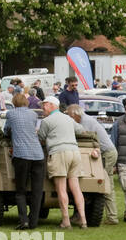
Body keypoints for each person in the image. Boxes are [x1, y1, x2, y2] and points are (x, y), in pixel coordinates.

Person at [0, 91, 45, 229]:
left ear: (14, 103)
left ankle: (24, 220)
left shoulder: (11, 114)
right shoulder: (33, 114)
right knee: (37, 191)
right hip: (38, 155)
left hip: (21, 154)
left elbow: (7, 130)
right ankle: (34, 222)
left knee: (20, 190)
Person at [38, 96, 89, 228]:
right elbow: (81, 130)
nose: (42, 107)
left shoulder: (46, 121)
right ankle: (83, 219)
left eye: (44, 105)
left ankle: (66, 221)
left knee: (61, 189)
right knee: (76, 188)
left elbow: (41, 138)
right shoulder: (68, 118)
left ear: (51, 105)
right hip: (74, 152)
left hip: (58, 153)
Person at [67, 103, 118, 225]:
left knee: (104, 185)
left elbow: (83, 137)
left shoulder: (86, 122)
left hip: (106, 154)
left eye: (69, 116)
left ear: (75, 115)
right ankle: (80, 214)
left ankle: (112, 217)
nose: (69, 119)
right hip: (106, 152)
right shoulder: (85, 119)